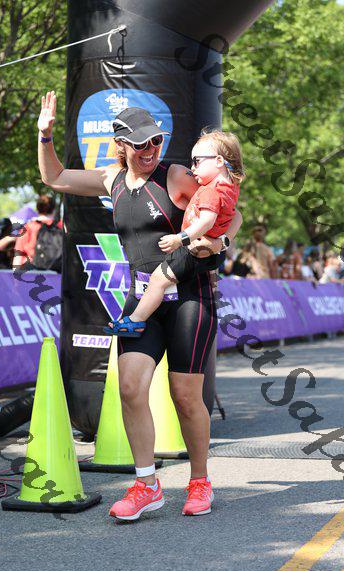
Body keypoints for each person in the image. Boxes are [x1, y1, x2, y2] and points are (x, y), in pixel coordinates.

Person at [38, 91, 243, 520]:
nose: (150, 149)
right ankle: (147, 484)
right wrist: (45, 136)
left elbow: (230, 210)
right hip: (142, 297)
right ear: (121, 145)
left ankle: (200, 481)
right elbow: (54, 177)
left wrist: (220, 241)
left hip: (189, 295)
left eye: (156, 141)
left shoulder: (176, 176)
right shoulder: (111, 179)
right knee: (130, 388)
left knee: (185, 395)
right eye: (140, 143)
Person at [104, 130, 244, 336]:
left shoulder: (210, 191)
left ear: (219, 161)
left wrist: (180, 238)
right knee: (161, 281)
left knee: (157, 280)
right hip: (204, 253)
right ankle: (137, 319)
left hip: (191, 251)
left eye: (197, 161)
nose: (192, 168)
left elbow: (206, 221)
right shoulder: (229, 188)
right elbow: (233, 217)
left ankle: (135, 320)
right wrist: (220, 243)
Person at [12, 194, 62, 269]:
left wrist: (15, 273)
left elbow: (18, 254)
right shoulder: (60, 226)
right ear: (54, 209)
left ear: (37, 208)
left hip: (31, 269)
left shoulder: (28, 227)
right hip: (56, 269)